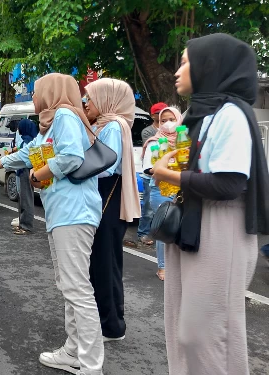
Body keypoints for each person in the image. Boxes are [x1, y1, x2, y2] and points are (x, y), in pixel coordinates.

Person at [152, 33, 269, 375]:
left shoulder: (231, 113)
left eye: (186, 61)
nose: (178, 69)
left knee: (203, 334)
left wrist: (168, 175)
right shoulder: (202, 112)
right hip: (192, 222)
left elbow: (229, 183)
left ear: (210, 66)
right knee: (183, 330)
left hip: (221, 226)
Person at [0, 73, 104, 375]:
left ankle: (90, 365)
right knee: (68, 285)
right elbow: (27, 153)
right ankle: (73, 352)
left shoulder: (64, 115)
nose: (33, 98)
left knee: (77, 288)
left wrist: (38, 175)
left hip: (74, 212)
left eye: (36, 93)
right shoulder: (51, 123)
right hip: (62, 213)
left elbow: (72, 158)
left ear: (52, 92)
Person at [84, 78, 141, 342]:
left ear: (107, 99)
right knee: (105, 263)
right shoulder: (109, 125)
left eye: (91, 98)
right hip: (109, 195)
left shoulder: (113, 127)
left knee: (104, 264)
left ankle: (111, 326)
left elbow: (105, 165)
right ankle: (109, 320)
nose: (87, 104)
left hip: (107, 195)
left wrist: (73, 168)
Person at [140, 106, 182, 280]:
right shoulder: (154, 142)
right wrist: (167, 168)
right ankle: (163, 267)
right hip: (161, 189)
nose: (167, 124)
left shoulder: (184, 141)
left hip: (183, 188)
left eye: (171, 119)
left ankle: (179, 266)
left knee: (181, 227)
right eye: (163, 120)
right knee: (165, 227)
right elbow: (148, 168)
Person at [137, 102, 169, 245]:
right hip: (151, 175)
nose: (167, 122)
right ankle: (143, 233)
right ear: (153, 115)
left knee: (166, 210)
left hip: (168, 177)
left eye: (170, 119)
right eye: (161, 116)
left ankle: (161, 233)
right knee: (149, 208)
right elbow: (153, 154)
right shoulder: (149, 133)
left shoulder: (179, 136)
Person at [12, 118, 38, 235]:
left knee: (26, 198)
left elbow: (24, 157)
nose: (18, 129)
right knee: (22, 197)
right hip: (22, 170)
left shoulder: (27, 141)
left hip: (25, 171)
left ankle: (26, 226)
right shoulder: (29, 140)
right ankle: (23, 223)